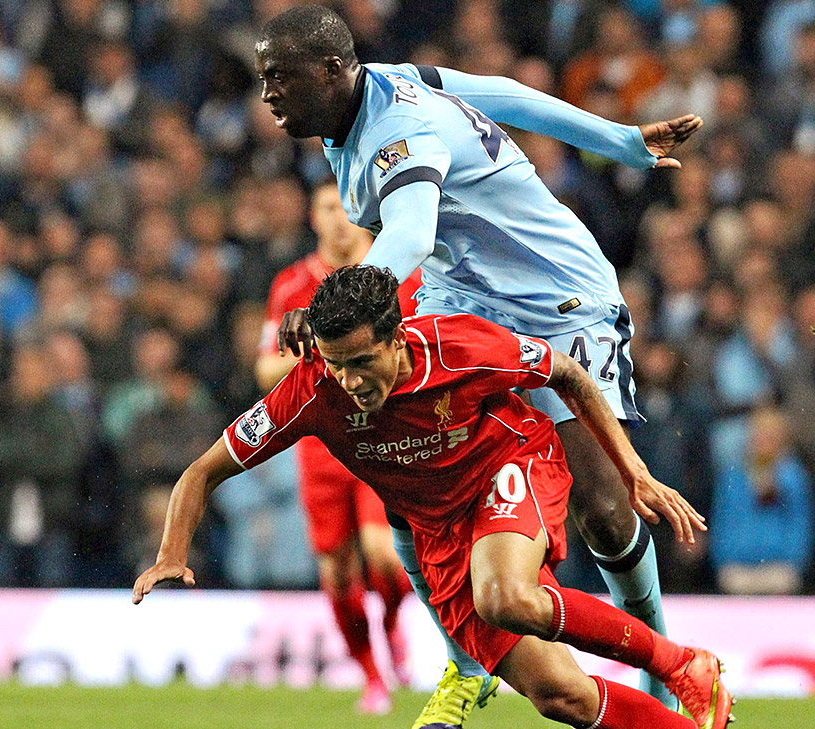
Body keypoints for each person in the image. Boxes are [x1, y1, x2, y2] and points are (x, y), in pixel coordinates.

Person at [255, 5, 702, 721]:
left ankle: (658, 655)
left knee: (605, 512)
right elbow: (502, 94)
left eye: (280, 77)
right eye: (262, 78)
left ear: (331, 70)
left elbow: (410, 229)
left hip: (557, 296)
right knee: (402, 479)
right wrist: (617, 139)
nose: (268, 93)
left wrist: (338, 295)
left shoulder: (395, 133)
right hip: (462, 297)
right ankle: (465, 667)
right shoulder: (389, 87)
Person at [134, 265, 733, 729]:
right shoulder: (313, 391)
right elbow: (201, 472)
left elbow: (569, 375)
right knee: (560, 696)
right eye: (337, 365)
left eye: (363, 362)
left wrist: (633, 471)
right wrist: (171, 551)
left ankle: (681, 663)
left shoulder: (458, 347)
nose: (350, 381)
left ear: (397, 339)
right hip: (441, 533)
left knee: (504, 596)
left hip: (512, 462)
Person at [255, 178, 416, 713]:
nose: (341, 218)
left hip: (380, 435)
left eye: (349, 207)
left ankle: (392, 624)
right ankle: (372, 676)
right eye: (329, 206)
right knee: (337, 571)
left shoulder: (396, 275)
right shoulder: (292, 284)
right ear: (313, 216)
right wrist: (329, 358)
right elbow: (265, 368)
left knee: (382, 556)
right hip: (319, 445)